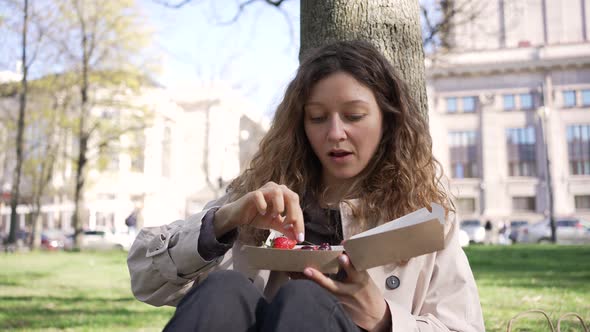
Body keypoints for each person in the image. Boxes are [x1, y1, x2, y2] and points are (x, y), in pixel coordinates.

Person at [127, 40, 485, 331]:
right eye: (317, 118)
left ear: (388, 121)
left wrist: (384, 318)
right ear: (301, 125)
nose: (334, 133)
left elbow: (462, 327)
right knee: (223, 288)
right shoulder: (261, 199)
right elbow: (146, 281)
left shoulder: (421, 214)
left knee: (305, 299)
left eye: (354, 116)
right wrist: (222, 221)